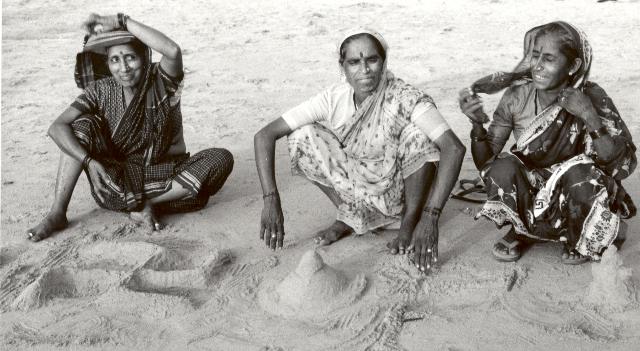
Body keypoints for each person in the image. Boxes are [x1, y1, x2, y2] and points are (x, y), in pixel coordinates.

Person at [254, 29, 465, 273]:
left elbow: (454, 148)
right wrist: (271, 199)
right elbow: (264, 135)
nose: (364, 70)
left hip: (400, 200)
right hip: (358, 194)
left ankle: (408, 223)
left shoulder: (405, 97)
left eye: (372, 60)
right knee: (302, 135)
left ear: (384, 62)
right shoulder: (334, 98)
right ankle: (350, 217)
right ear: (342, 67)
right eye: (354, 62)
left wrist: (431, 217)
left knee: (417, 135)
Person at [27, 13, 234, 241]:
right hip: (116, 181)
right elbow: (57, 127)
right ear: (107, 63)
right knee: (81, 126)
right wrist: (89, 161)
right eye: (115, 59)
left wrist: (122, 21)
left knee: (220, 158)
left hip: (164, 176)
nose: (123, 68)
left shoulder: (161, 81)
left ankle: (141, 205)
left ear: (144, 58)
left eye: (130, 58)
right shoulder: (101, 90)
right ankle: (57, 212)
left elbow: (172, 51)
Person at [458, 21, 636, 264]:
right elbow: (486, 163)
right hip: (534, 187)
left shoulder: (591, 96)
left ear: (573, 66)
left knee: (580, 175)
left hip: (578, 189)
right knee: (503, 168)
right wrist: (476, 125)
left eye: (549, 59)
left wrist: (588, 115)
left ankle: (580, 231)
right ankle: (523, 229)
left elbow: (619, 166)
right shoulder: (517, 96)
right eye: (534, 56)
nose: (537, 67)